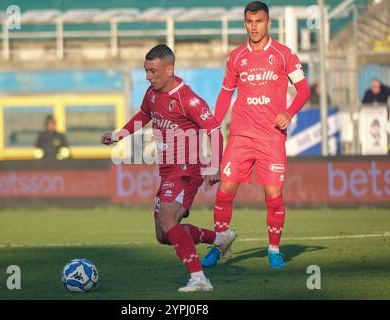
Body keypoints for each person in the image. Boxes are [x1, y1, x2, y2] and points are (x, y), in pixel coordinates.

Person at [101, 44, 236, 292]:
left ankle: (200, 279)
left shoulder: (188, 99)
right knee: (164, 235)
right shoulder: (152, 94)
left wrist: (215, 166)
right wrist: (120, 134)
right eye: (146, 70)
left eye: (153, 71)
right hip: (166, 170)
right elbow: (144, 115)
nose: (148, 77)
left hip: (187, 169)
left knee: (167, 221)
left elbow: (214, 130)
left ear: (169, 69)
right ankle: (221, 238)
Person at [201, 1, 310, 269]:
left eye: (259, 21)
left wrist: (289, 112)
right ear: (245, 23)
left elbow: (304, 90)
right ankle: (220, 244)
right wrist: (215, 123)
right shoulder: (237, 56)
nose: (254, 27)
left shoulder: (284, 54)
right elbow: (226, 93)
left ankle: (274, 250)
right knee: (224, 190)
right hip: (240, 136)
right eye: (250, 22)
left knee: (273, 196)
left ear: (268, 23)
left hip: (272, 137)